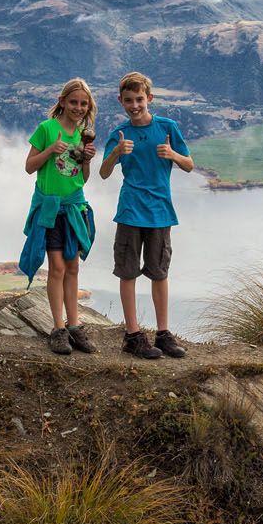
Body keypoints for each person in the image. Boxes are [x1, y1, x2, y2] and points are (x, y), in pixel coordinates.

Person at [99, 71, 193, 359]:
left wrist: (172, 155)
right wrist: (116, 153)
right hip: (130, 212)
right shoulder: (119, 134)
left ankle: (163, 334)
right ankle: (133, 336)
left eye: (139, 99)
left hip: (160, 212)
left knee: (159, 273)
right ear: (121, 101)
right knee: (128, 273)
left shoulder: (167, 127)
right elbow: (103, 173)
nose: (134, 105)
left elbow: (189, 164)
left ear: (149, 98)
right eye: (128, 100)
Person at [18, 78, 98, 355]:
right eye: (73, 102)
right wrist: (51, 150)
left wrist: (87, 160)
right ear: (62, 101)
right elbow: (29, 167)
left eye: (83, 104)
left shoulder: (84, 135)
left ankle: (75, 327)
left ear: (88, 108)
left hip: (75, 207)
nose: (78, 107)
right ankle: (58, 328)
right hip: (51, 209)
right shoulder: (47, 129)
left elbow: (83, 179)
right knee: (57, 268)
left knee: (73, 267)